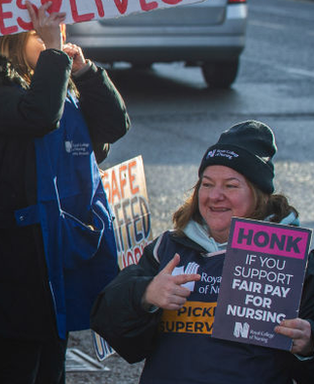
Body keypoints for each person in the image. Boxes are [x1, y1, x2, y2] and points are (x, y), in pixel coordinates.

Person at [0, 3, 129, 383]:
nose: (57, 36)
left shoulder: (57, 82)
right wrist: (53, 55)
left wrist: (83, 70)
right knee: (12, 365)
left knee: (50, 365)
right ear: (11, 40)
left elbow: (115, 125)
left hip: (54, 255)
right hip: (12, 266)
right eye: (41, 33)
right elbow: (39, 116)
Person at [91, 120, 314, 382]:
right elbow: (109, 323)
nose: (215, 195)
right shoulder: (168, 248)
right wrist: (146, 294)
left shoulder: (293, 262)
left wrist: (308, 345)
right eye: (207, 184)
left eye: (230, 186)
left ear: (258, 195)